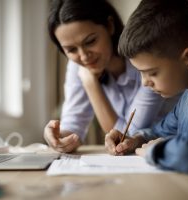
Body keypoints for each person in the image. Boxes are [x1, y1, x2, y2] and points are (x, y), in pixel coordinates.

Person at [105, 0, 188, 186]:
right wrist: (134, 139)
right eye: (140, 72)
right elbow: (158, 131)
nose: (145, 83)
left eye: (152, 72)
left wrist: (154, 151)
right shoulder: (187, 96)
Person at [44, 0, 177, 153]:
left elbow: (126, 136)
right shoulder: (78, 65)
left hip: (169, 151)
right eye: (71, 49)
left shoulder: (146, 61)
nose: (84, 56)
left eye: (90, 41)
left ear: (110, 26)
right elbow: (74, 125)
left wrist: (90, 84)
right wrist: (58, 138)